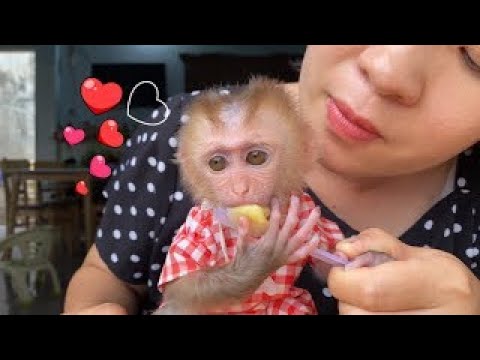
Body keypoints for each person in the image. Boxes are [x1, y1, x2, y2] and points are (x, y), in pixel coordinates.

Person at [64, 46, 480, 315]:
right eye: (218, 164)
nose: (387, 70)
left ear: (298, 151)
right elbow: (117, 279)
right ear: (191, 172)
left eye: (475, 57)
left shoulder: (298, 213)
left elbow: (330, 255)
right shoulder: (176, 141)